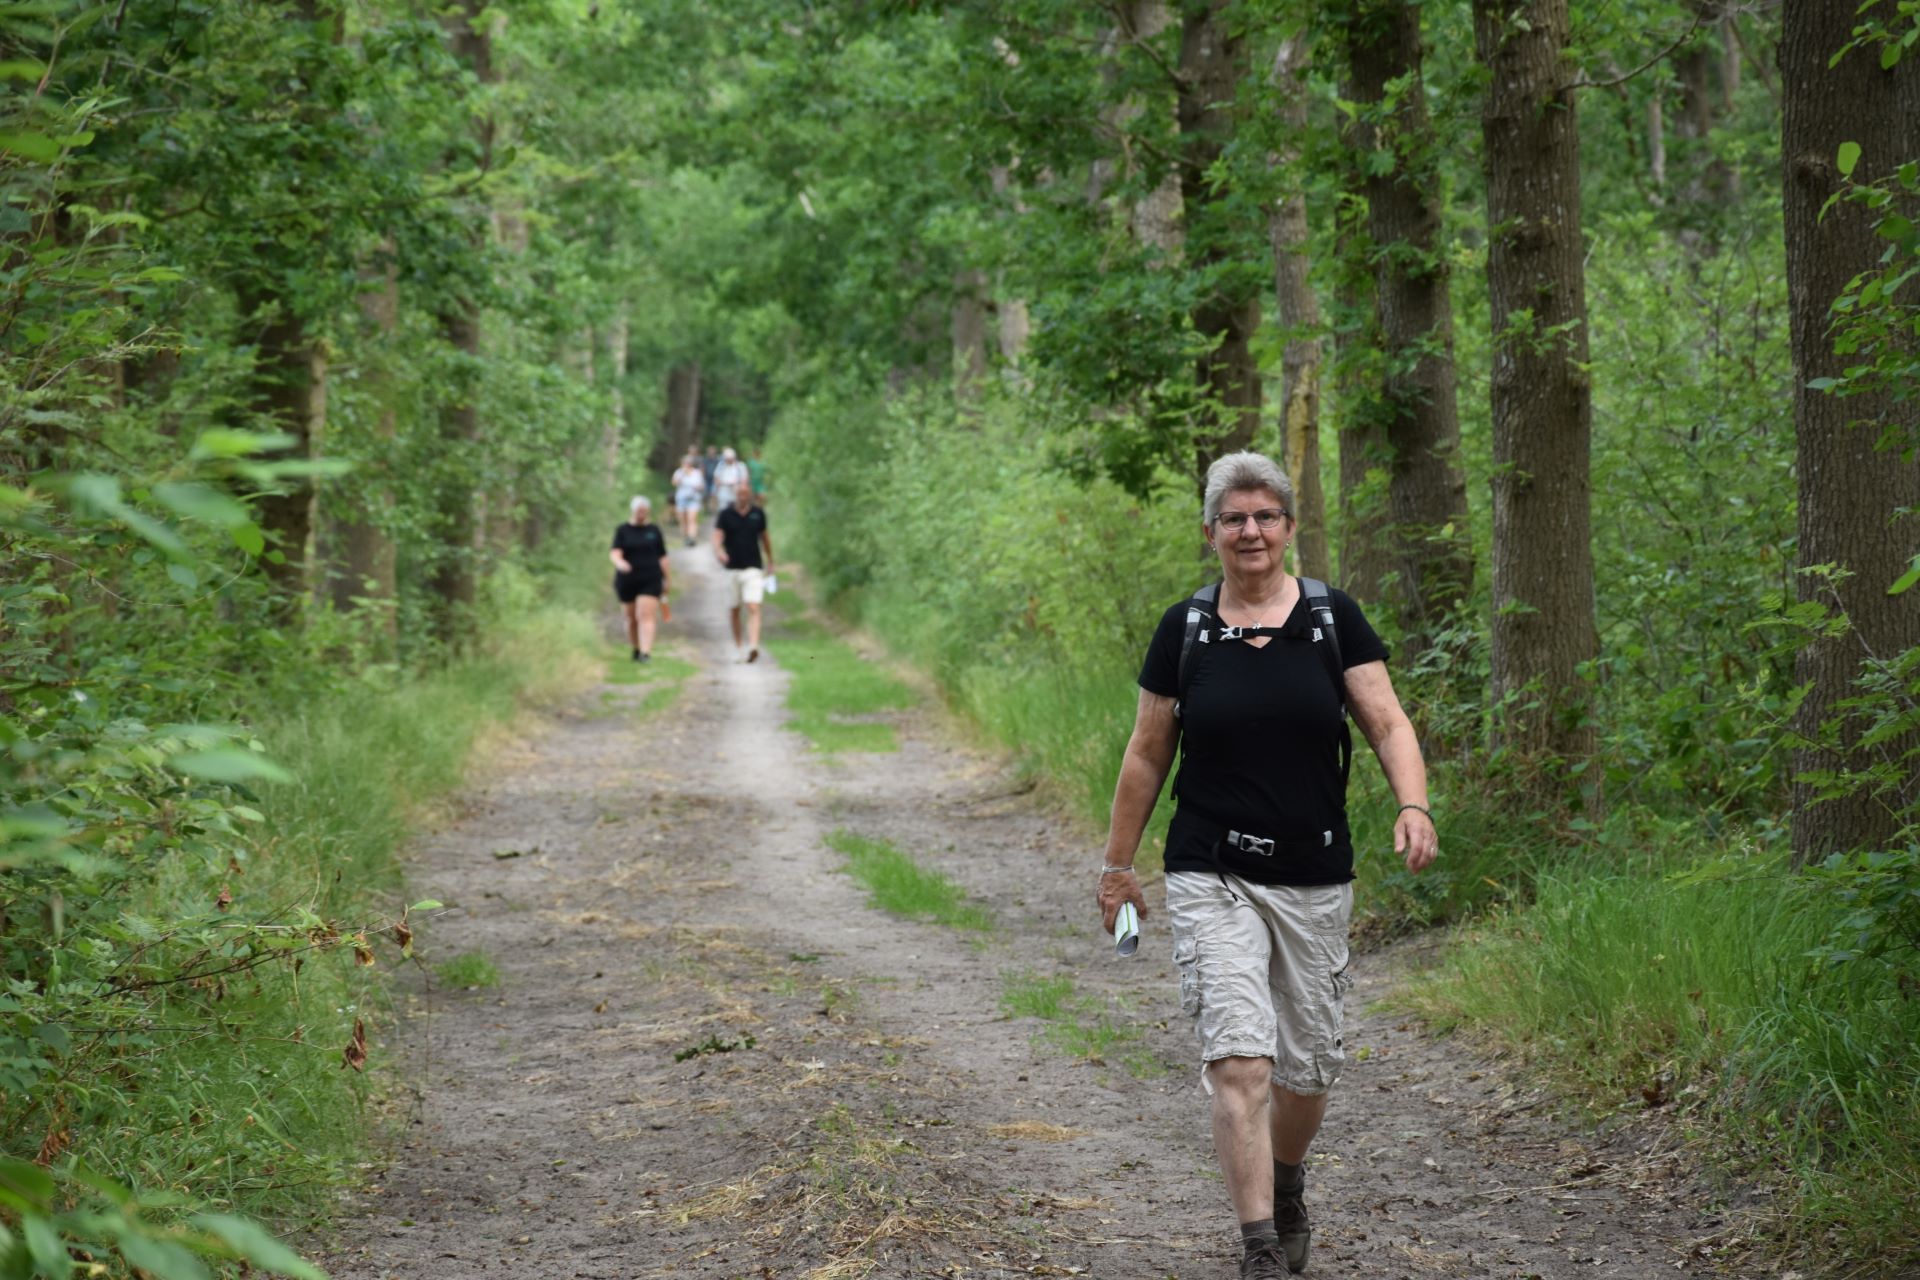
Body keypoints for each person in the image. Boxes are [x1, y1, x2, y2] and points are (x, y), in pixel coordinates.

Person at [1097, 451, 1437, 1280]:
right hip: (1211, 868)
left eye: (1265, 516)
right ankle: (1257, 1246)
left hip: (1315, 875)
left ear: (1288, 526)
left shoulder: (1330, 617)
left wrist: (1414, 804)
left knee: (1306, 1069)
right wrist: (1117, 866)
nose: (1250, 531)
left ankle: (1287, 1184)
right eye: (1233, 518)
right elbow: (1147, 752)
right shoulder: (1185, 629)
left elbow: (1388, 723)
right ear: (1210, 531)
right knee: (1240, 1059)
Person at [713, 482, 772, 663]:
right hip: (732, 568)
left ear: (750, 494)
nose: (742, 496)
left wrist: (771, 560)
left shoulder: (758, 514)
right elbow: (717, 537)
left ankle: (753, 646)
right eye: (739, 493)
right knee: (734, 609)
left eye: (745, 493)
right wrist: (719, 552)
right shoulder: (725, 514)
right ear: (735, 494)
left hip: (753, 567)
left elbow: (765, 538)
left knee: (753, 606)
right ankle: (738, 647)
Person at [610, 495, 670, 662]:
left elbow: (663, 556)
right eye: (639, 511)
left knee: (645, 614)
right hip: (627, 579)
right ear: (633, 511)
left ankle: (646, 652)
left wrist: (667, 578)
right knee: (631, 618)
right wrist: (620, 563)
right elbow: (615, 552)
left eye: (644, 511)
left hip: (651, 578)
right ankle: (636, 648)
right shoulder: (623, 530)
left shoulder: (654, 531)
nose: (641, 514)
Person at [671, 452, 706, 546]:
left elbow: (702, 486)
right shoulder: (679, 472)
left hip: (693, 499)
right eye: (684, 463)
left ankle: (692, 538)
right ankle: (685, 537)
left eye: (688, 463)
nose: (686, 464)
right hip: (681, 498)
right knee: (682, 520)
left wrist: (697, 487)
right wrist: (682, 474)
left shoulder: (697, 473)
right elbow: (674, 483)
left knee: (692, 519)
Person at [711, 446, 750, 513]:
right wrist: (719, 485)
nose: (728, 460)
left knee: (737, 509)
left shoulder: (740, 466)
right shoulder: (720, 466)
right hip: (724, 490)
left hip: (736, 490)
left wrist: (741, 489)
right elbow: (716, 478)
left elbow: (744, 479)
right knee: (723, 510)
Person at [699, 445, 721, 512]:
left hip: (714, 479)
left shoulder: (717, 460)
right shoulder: (705, 459)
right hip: (706, 479)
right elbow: (702, 468)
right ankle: (706, 509)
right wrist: (702, 478)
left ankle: (713, 509)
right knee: (705, 494)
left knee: (713, 494)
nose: (711, 452)